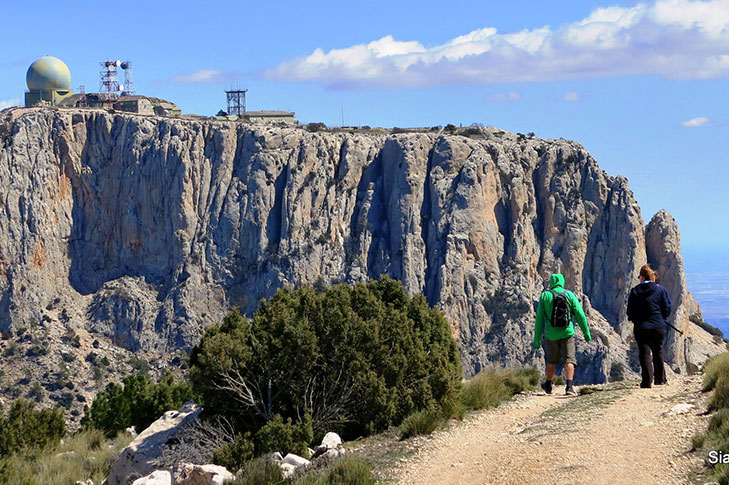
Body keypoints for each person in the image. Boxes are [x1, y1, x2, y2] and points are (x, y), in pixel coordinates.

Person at [533, 273, 592, 396]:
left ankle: (548, 384)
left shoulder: (545, 296)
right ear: (562, 282)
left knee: (551, 361)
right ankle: (569, 387)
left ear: (552, 283)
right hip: (567, 333)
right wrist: (586, 333)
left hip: (551, 335)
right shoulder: (569, 295)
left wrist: (537, 339)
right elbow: (580, 315)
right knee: (569, 360)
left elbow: (539, 320)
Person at [627, 264, 672, 388]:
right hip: (658, 326)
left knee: (644, 353)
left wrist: (634, 319)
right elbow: (667, 307)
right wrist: (662, 317)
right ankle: (660, 380)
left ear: (641, 277)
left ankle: (646, 382)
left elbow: (630, 311)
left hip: (641, 327)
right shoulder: (660, 289)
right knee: (658, 351)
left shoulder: (635, 291)